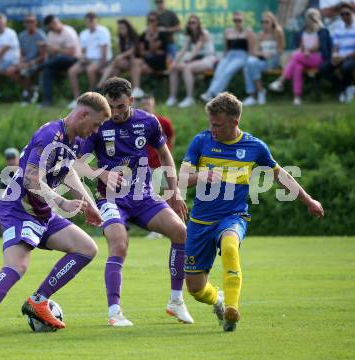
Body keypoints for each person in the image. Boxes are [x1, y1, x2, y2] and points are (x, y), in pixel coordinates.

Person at [0, 92, 111, 336]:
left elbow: (66, 171)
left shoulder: (73, 139)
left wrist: (87, 202)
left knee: (87, 248)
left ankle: (38, 300)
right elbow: (32, 179)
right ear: (83, 114)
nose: (95, 131)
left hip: (41, 210)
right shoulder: (49, 135)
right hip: (19, 208)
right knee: (17, 266)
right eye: (96, 124)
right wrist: (61, 201)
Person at [179, 92, 324, 332]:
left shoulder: (254, 147)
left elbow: (281, 175)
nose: (212, 129)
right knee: (195, 287)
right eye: (210, 124)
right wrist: (200, 175)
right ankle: (219, 300)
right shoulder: (201, 141)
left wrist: (308, 200)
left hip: (233, 216)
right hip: (200, 221)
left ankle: (232, 310)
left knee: (229, 246)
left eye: (218, 125)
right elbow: (180, 179)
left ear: (234, 122)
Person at [78, 77, 193, 327]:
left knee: (180, 232)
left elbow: (164, 155)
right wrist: (102, 173)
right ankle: (114, 312)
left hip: (144, 196)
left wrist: (175, 192)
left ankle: (176, 301)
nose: (116, 113)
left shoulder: (148, 121)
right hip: (110, 199)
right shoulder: (98, 125)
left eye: (120, 106)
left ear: (130, 101)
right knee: (119, 245)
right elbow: (76, 162)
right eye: (111, 106)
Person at [269, 8, 332, 105]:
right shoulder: (302, 31)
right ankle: (297, 97)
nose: (311, 19)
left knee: (295, 56)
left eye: (313, 16)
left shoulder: (322, 30)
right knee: (297, 66)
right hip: (304, 57)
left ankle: (281, 81)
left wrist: (307, 50)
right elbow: (301, 46)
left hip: (318, 58)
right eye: (309, 17)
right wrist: (303, 50)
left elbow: (318, 46)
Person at [139, 94, 175, 239]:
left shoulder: (163, 122)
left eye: (149, 103)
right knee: (151, 196)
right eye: (144, 104)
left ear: (153, 104)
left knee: (170, 193)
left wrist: (168, 155)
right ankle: (156, 229)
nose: (146, 106)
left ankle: (170, 225)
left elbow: (171, 137)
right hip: (145, 167)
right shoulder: (137, 123)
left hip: (161, 165)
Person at [200, 12, 255, 102]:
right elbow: (226, 49)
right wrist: (222, 59)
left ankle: (213, 94)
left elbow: (251, 49)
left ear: (243, 20)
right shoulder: (228, 32)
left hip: (241, 56)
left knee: (228, 71)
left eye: (239, 20)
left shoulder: (248, 32)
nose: (237, 22)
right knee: (218, 71)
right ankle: (209, 93)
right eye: (235, 20)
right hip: (229, 55)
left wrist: (249, 60)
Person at [166, 14, 217, 108]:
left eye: (193, 22)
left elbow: (196, 50)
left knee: (187, 68)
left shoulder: (203, 34)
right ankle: (172, 97)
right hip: (195, 60)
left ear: (198, 24)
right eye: (189, 23)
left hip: (208, 59)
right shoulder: (190, 35)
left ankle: (190, 98)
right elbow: (183, 50)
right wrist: (174, 62)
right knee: (174, 68)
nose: (191, 24)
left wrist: (186, 61)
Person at [67, 12, 112, 109]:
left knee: (90, 70)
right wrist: (82, 58)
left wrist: (103, 65)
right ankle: (76, 99)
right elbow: (83, 51)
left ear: (96, 20)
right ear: (86, 21)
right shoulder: (84, 33)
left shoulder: (103, 31)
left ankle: (92, 98)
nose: (91, 22)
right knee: (72, 71)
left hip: (100, 59)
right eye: (89, 20)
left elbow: (104, 50)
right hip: (87, 59)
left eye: (92, 20)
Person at [242, 11, 285, 106]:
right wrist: (262, 53)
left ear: (272, 22)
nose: (264, 24)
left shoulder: (278, 32)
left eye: (267, 22)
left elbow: (281, 50)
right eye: (262, 22)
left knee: (249, 66)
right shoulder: (260, 35)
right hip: (262, 60)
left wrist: (272, 53)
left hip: (274, 60)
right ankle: (259, 92)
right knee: (248, 65)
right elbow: (255, 52)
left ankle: (254, 95)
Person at [37, 15, 81, 107]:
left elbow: (71, 52)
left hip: (72, 60)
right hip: (57, 61)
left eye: (50, 27)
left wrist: (56, 49)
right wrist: (45, 47)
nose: (50, 29)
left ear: (54, 23)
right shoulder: (51, 34)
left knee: (60, 58)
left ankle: (39, 67)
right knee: (47, 72)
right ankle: (48, 100)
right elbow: (51, 52)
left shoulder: (68, 32)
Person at [320, 2, 355, 102]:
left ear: (352, 13)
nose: (344, 16)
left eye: (346, 13)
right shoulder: (339, 28)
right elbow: (335, 45)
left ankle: (348, 89)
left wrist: (345, 57)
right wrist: (335, 55)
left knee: (346, 67)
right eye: (342, 14)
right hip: (340, 56)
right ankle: (344, 88)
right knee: (324, 69)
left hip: (352, 56)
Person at [131, 12, 169, 98]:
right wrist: (150, 51)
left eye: (153, 20)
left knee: (137, 65)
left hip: (159, 61)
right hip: (147, 60)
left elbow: (153, 49)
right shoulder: (144, 34)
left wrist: (151, 38)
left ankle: (137, 89)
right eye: (149, 20)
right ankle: (137, 89)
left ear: (157, 22)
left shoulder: (162, 34)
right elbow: (141, 51)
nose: (150, 22)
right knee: (136, 63)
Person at [98, 19, 139, 88]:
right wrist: (120, 56)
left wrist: (121, 56)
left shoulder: (134, 37)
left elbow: (132, 51)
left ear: (128, 28)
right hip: (122, 62)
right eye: (119, 28)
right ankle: (111, 90)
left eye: (122, 28)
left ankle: (100, 85)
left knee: (115, 62)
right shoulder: (121, 38)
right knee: (115, 70)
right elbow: (120, 52)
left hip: (133, 62)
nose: (121, 30)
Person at [18, 14, 46, 104]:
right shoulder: (22, 36)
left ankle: (27, 94)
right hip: (26, 62)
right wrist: (21, 61)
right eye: (27, 22)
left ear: (36, 23)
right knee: (12, 70)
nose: (30, 23)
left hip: (38, 62)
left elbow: (43, 56)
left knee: (25, 72)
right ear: (24, 24)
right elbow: (21, 53)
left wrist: (30, 63)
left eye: (32, 21)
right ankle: (31, 90)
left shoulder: (40, 35)